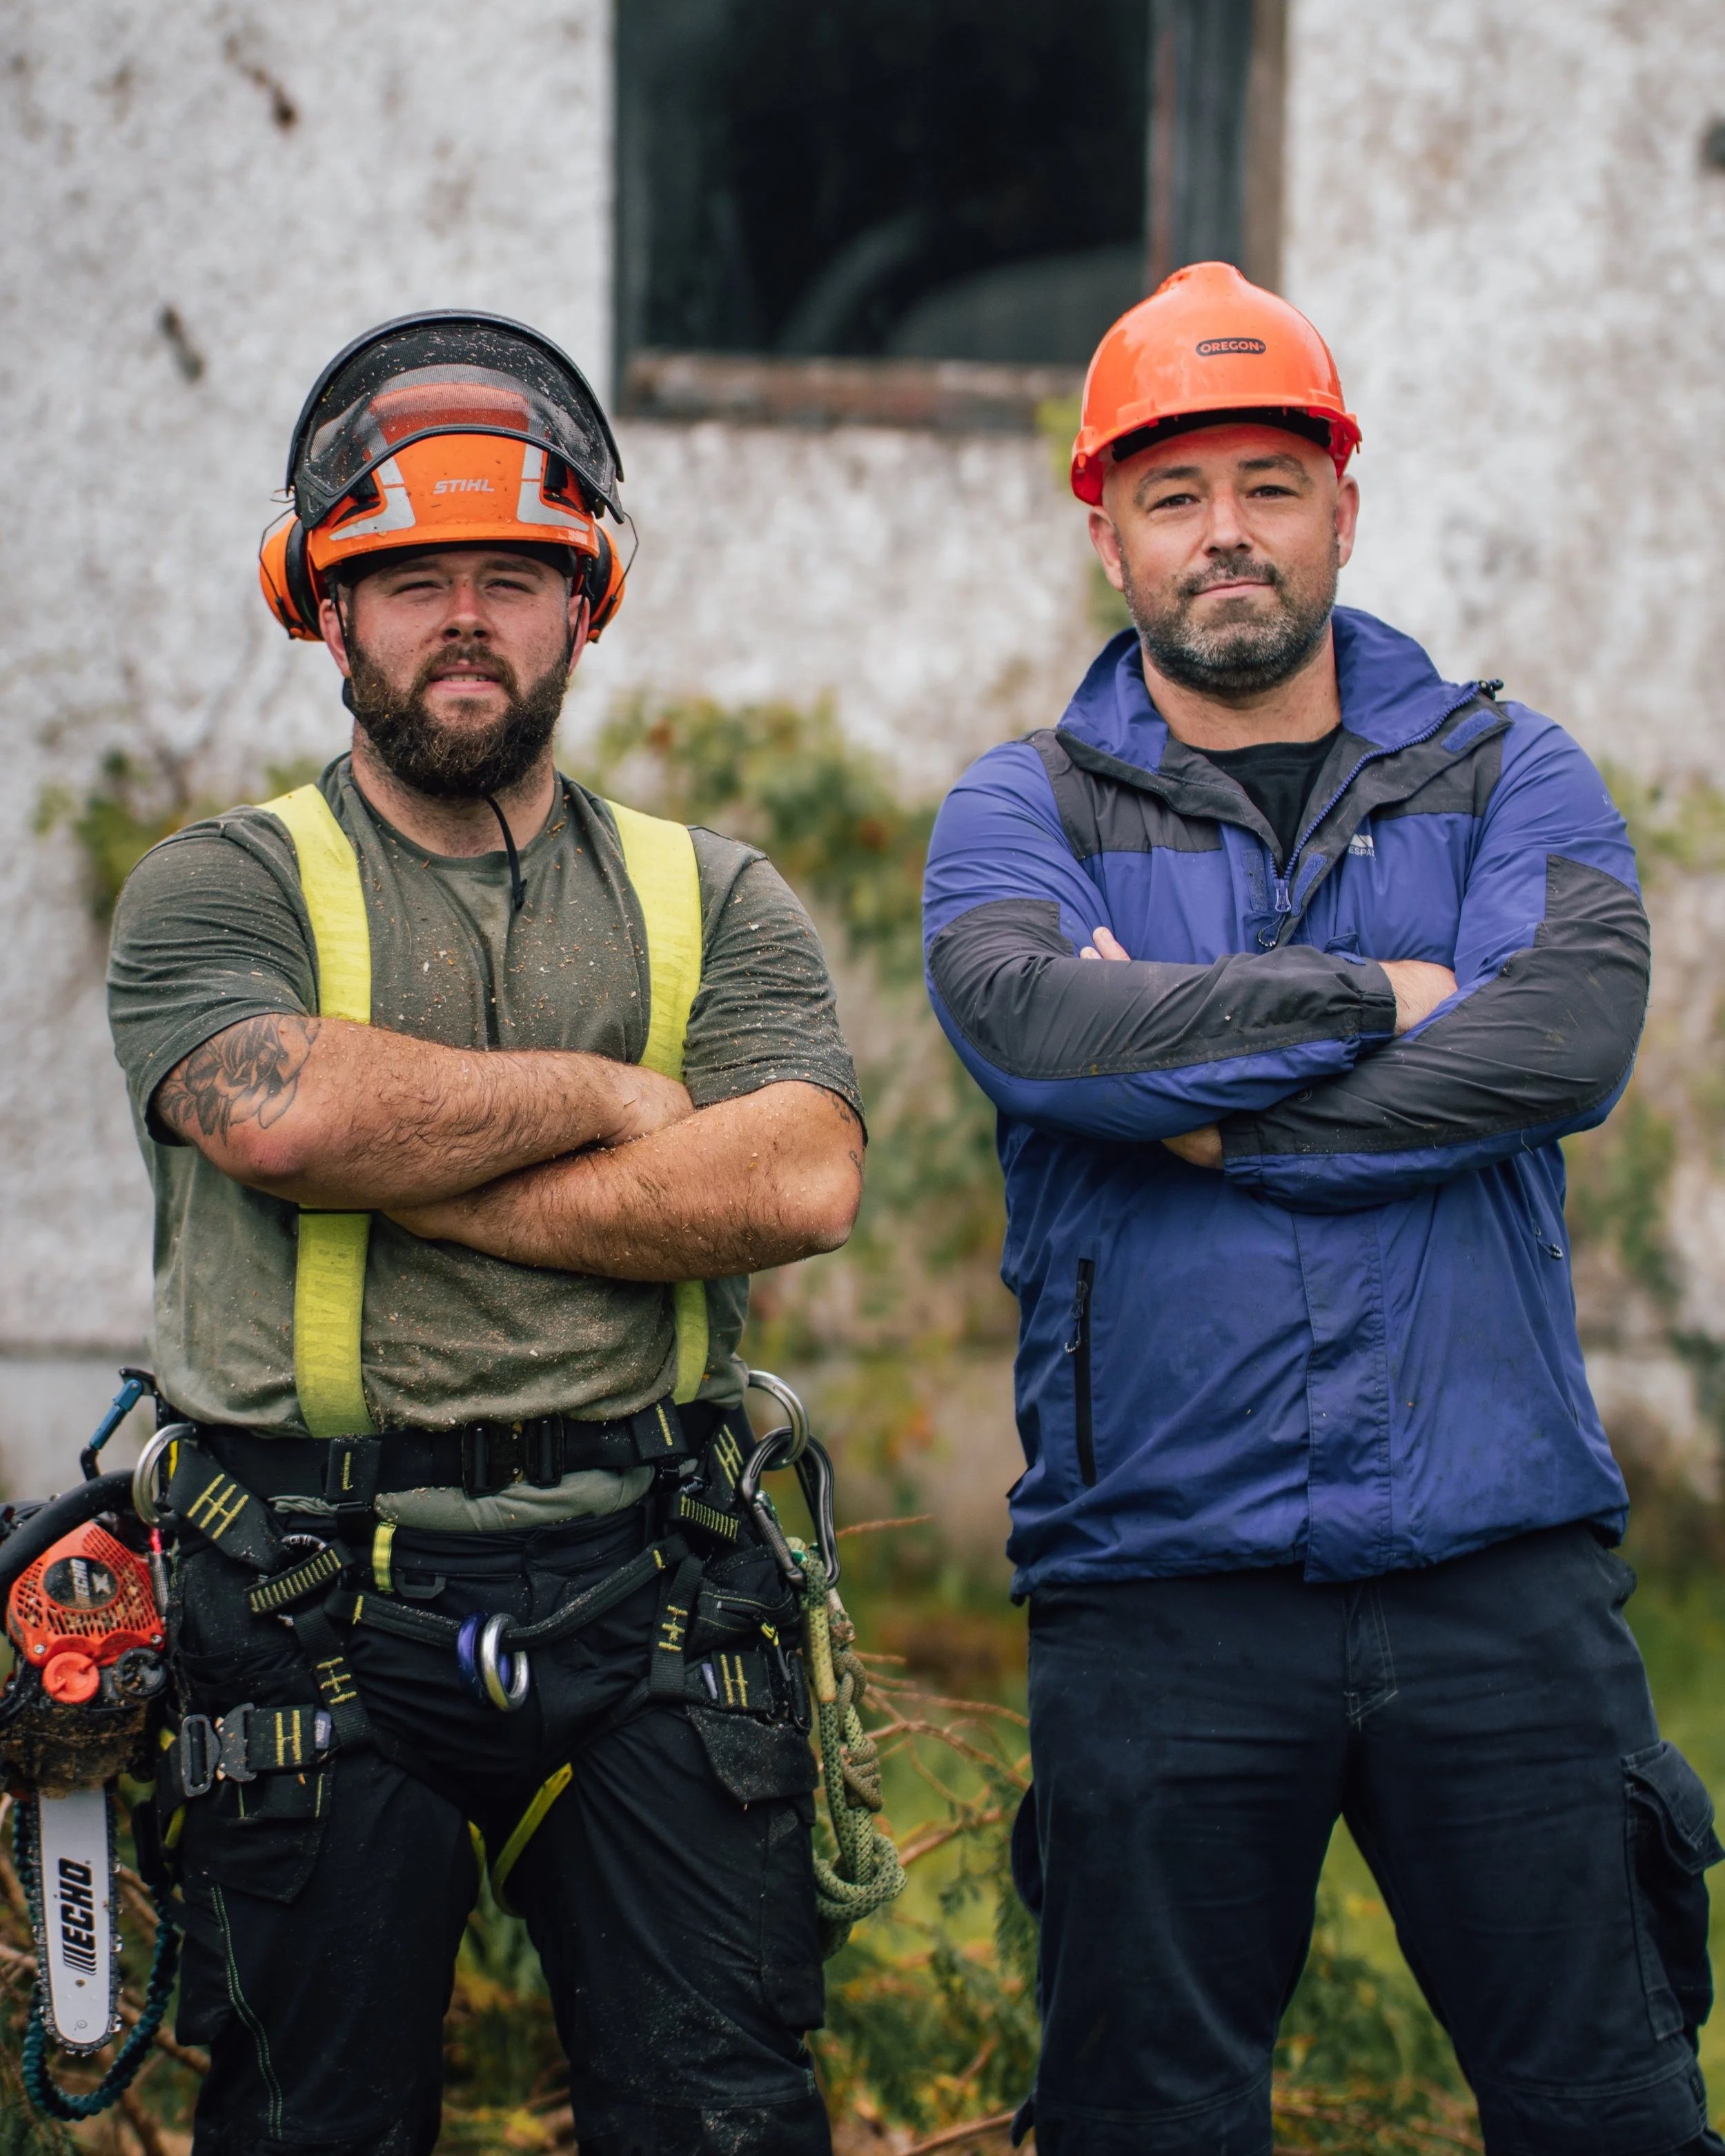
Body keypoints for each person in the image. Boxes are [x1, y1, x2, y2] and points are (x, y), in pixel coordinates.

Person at [923, 261, 1722, 2155]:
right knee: (1148, 2125)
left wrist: (1214, 1116)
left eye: (1269, 486)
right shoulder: (1017, 809)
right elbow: (1048, 1030)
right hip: (1160, 1586)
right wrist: (1374, 993)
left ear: (1341, 510)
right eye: (1175, 495)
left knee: (1607, 2110)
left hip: (1496, 1571)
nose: (1227, 536)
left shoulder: (1503, 769)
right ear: (1106, 530)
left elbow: (1563, 1041)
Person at [107, 311, 864, 2156]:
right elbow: (279, 1112)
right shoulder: (221, 886)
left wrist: (409, 1151)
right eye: (411, 578)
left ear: (585, 603)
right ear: (324, 608)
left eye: (513, 578)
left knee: (722, 2120)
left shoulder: (716, 897)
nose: (466, 618)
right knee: (311, 2127)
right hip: (305, 1591)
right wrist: (617, 1107)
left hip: (654, 1578)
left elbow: (799, 1181)